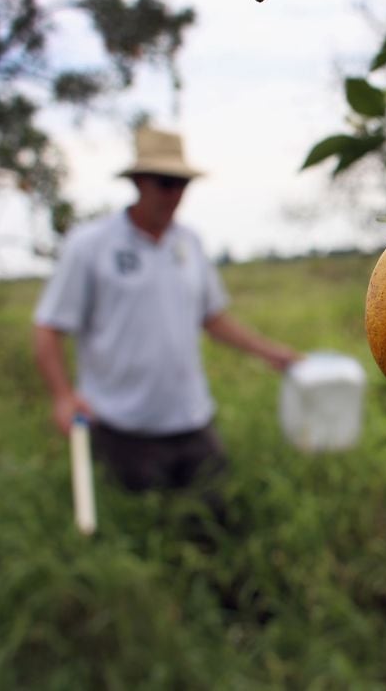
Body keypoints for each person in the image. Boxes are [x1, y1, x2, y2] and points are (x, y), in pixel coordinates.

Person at [32, 125, 301, 494]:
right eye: (164, 182)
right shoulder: (92, 246)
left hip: (190, 417)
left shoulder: (188, 243)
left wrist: (273, 353)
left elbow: (212, 317)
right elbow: (49, 326)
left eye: (181, 183)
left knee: (214, 515)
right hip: (123, 425)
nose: (174, 194)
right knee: (145, 530)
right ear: (140, 182)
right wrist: (62, 396)